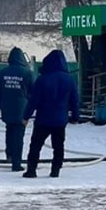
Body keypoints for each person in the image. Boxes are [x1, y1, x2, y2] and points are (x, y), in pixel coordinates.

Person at [22, 49, 80, 178]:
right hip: (60, 120)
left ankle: (31, 170)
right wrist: (75, 117)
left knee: (36, 145)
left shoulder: (42, 79)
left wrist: (26, 116)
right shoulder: (69, 80)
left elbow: (33, 101)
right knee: (58, 146)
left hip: (43, 119)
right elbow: (75, 100)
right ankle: (55, 170)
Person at [0, 47, 34, 171]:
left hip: (7, 109)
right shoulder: (27, 73)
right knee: (18, 136)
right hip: (21, 110)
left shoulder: (2, 73)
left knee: (9, 131)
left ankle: (9, 155)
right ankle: (16, 163)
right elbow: (33, 92)